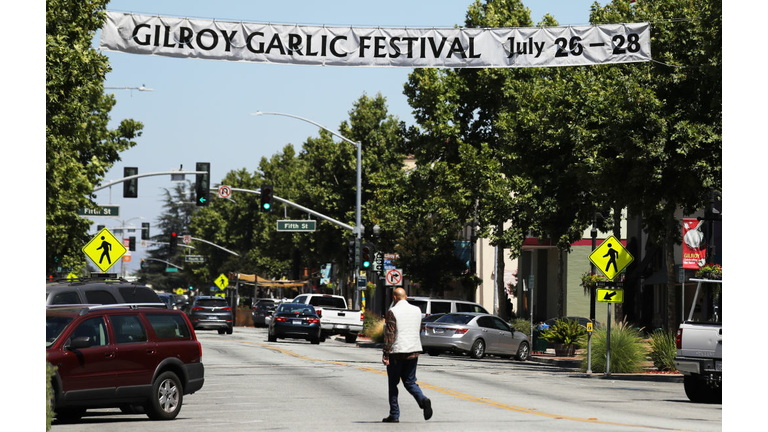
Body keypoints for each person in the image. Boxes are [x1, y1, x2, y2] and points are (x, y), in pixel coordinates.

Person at [381, 288, 433, 423]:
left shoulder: (393, 311)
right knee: (410, 381)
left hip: (397, 353)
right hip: (413, 350)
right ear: (406, 296)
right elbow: (418, 328)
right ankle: (423, 400)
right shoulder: (417, 311)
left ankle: (394, 414)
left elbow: (389, 335)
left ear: (394, 298)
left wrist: (386, 354)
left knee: (393, 384)